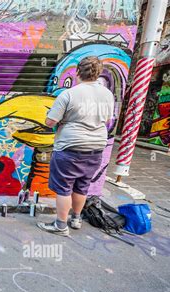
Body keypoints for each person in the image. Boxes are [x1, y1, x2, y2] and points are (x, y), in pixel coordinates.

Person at [37, 56, 115, 236]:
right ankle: (76, 218)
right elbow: (108, 121)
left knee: (64, 187)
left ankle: (60, 225)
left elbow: (50, 122)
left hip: (70, 147)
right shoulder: (107, 94)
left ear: (78, 72)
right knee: (83, 185)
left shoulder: (69, 94)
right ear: (98, 73)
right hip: (96, 148)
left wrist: (54, 116)